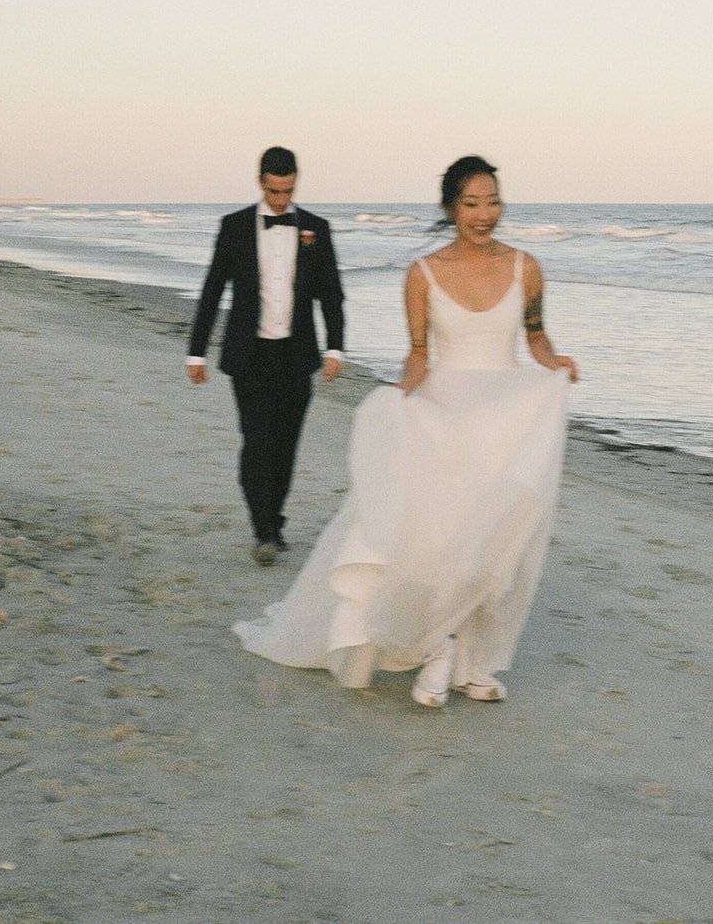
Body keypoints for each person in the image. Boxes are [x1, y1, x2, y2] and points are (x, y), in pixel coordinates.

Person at [233, 155, 578, 707]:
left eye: (493, 202)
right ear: (450, 209)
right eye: (471, 204)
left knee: (494, 544)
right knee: (442, 540)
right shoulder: (422, 275)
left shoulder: (526, 268)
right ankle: (437, 649)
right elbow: (419, 355)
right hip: (445, 418)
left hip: (506, 421)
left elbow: (535, 339)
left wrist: (556, 362)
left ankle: (477, 663)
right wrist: (399, 401)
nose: (484, 214)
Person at [187, 146, 345, 566]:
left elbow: (331, 292)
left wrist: (335, 347)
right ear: (260, 182)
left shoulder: (316, 229)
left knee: (286, 445)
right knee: (257, 442)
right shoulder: (234, 227)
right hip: (250, 353)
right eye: (274, 191)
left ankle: (274, 519)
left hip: (296, 354)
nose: (281, 199)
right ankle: (263, 529)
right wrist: (196, 351)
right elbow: (213, 288)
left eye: (288, 191)